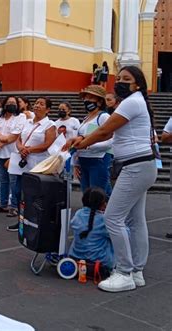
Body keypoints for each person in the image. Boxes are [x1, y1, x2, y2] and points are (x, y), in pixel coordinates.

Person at [65, 66, 157, 292]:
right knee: (135, 221)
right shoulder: (136, 101)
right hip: (141, 165)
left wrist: (81, 143)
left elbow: (105, 131)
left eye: (128, 79)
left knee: (113, 218)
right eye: (120, 78)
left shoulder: (131, 102)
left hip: (136, 167)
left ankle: (124, 272)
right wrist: (84, 142)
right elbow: (111, 137)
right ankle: (136, 271)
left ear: (138, 84)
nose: (121, 82)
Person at [7, 97, 56, 231]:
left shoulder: (50, 125)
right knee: (17, 192)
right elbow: (18, 139)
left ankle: (36, 220)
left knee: (34, 194)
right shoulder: (27, 122)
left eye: (41, 104)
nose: (37, 106)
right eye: (36, 103)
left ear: (48, 110)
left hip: (37, 163)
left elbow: (47, 144)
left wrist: (29, 150)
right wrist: (21, 148)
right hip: (22, 162)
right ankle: (21, 220)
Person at [0, 96, 27, 217]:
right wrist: (1, 138)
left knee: (14, 181)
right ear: (4, 105)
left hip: (13, 153)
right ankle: (3, 203)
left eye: (13, 103)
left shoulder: (21, 117)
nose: (11, 104)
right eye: (9, 102)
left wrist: (3, 140)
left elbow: (16, 134)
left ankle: (14, 206)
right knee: (3, 179)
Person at [74, 85, 112, 195]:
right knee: (87, 194)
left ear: (100, 102)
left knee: (97, 196)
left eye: (91, 98)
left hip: (98, 159)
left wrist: (88, 145)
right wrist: (76, 162)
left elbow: (112, 141)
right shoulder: (86, 118)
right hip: (83, 160)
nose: (87, 100)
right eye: (86, 98)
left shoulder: (104, 117)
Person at [69, 187, 115, 270]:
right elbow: (122, 234)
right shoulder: (103, 220)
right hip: (100, 261)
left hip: (76, 257)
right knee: (113, 238)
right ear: (102, 204)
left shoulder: (78, 214)